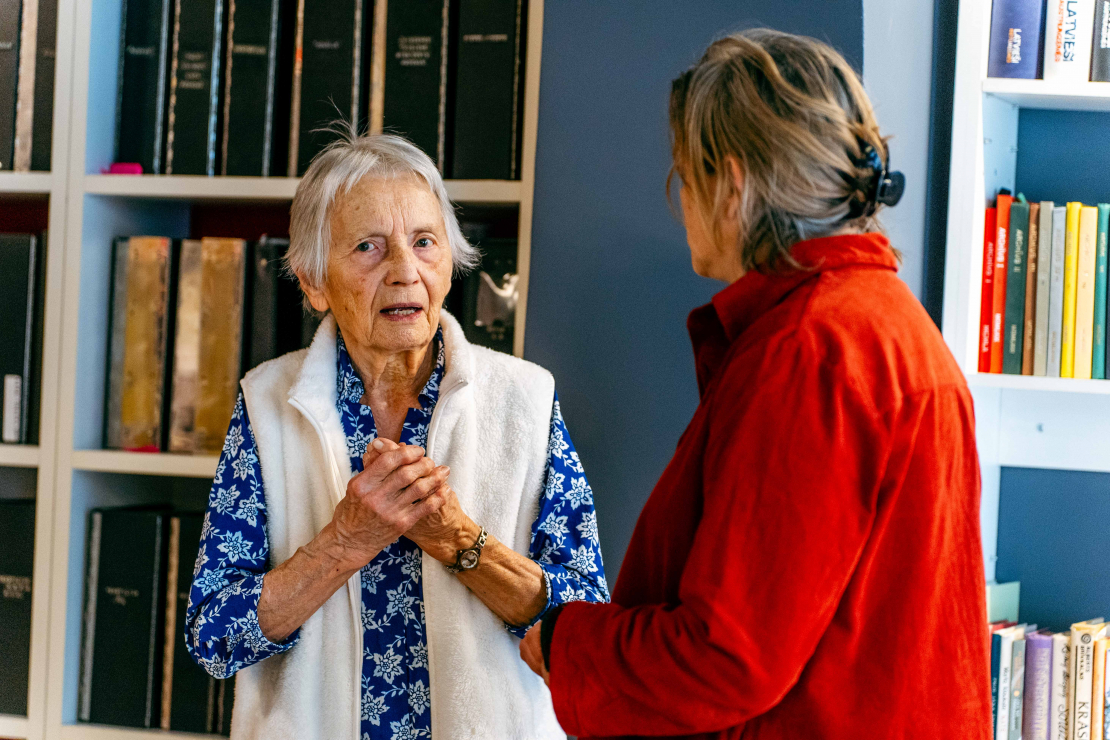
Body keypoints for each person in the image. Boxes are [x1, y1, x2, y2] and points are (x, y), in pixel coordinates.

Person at [519, 28, 990, 739]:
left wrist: (566, 643)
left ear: (733, 185)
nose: (679, 204)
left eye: (684, 178)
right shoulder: (891, 323)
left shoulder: (812, 351)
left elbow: (727, 657)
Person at [185, 132, 608, 740]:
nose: (405, 272)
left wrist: (461, 542)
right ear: (313, 281)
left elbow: (584, 624)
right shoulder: (265, 403)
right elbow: (214, 638)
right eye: (368, 247)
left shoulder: (526, 400)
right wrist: (342, 545)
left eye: (424, 242)